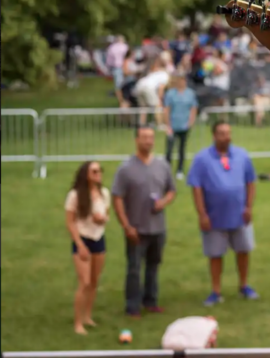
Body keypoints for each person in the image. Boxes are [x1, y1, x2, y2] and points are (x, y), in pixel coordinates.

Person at [187, 121, 259, 306]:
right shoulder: (202, 159)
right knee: (215, 254)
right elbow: (196, 187)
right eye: (222, 133)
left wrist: (249, 207)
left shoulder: (242, 155)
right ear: (214, 136)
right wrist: (202, 214)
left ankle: (244, 285)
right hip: (214, 217)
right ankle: (216, 291)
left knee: (243, 251)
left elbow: (251, 182)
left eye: (228, 133)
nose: (226, 137)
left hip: (240, 215)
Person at [111, 125, 176, 317]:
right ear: (136, 140)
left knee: (153, 266)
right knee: (134, 268)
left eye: (151, 137)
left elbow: (172, 190)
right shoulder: (126, 168)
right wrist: (126, 225)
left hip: (158, 227)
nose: (148, 141)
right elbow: (117, 198)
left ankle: (151, 300)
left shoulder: (162, 165)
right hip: (136, 228)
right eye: (144, 137)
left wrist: (163, 202)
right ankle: (132, 306)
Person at [65, 161, 111, 334]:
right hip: (82, 240)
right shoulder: (75, 195)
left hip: (98, 238)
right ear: (86, 174)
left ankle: (87, 316)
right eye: (94, 171)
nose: (98, 173)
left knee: (93, 281)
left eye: (99, 170)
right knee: (84, 282)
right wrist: (80, 245)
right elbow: (70, 222)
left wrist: (102, 220)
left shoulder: (104, 193)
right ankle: (78, 323)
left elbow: (106, 215)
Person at [159, 73, 199, 180]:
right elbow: (167, 109)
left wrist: (191, 121)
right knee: (169, 149)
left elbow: (193, 108)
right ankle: (166, 170)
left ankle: (180, 170)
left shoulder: (190, 94)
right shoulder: (171, 94)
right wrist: (167, 125)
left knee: (182, 148)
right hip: (173, 124)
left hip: (184, 125)